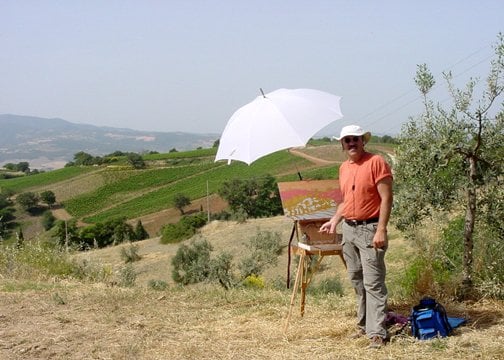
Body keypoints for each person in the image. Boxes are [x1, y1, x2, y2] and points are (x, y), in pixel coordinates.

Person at [319, 124, 393, 349]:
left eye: (355, 139)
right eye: (347, 140)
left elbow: (387, 199)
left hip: (370, 230)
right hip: (349, 231)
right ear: (342, 144)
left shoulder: (376, 162)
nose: (352, 143)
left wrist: (381, 229)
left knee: (373, 284)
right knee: (357, 281)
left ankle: (377, 333)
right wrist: (334, 220)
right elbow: (346, 201)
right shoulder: (343, 168)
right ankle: (363, 326)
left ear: (363, 141)